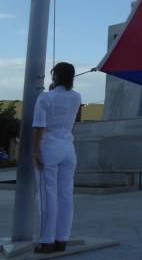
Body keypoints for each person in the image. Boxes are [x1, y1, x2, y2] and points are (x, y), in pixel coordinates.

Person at [31, 62, 81, 254]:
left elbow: (39, 126)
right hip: (68, 148)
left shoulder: (45, 97)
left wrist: (35, 152)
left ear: (56, 76)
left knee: (47, 196)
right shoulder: (77, 97)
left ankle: (46, 241)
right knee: (65, 196)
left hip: (49, 148)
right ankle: (62, 239)